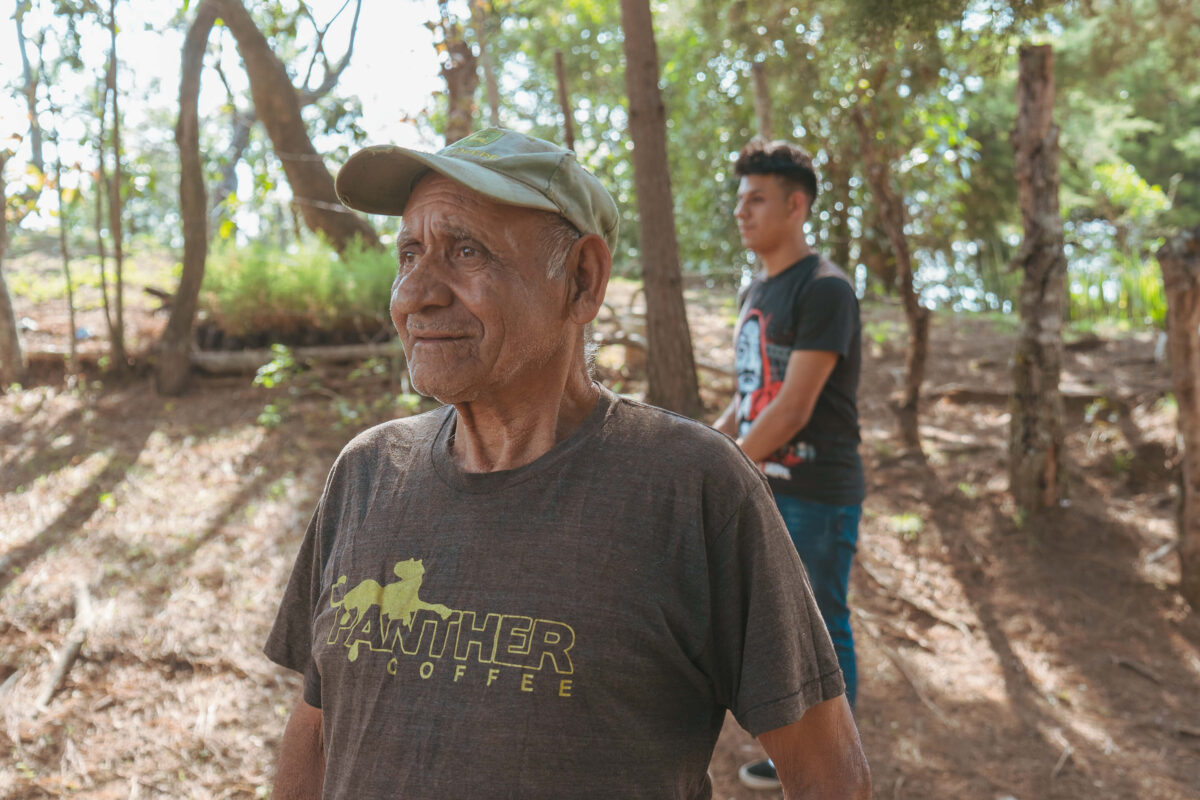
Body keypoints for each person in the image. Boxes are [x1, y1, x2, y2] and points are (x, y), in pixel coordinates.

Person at [264, 128, 871, 799]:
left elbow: (827, 774)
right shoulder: (365, 474)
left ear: (582, 279)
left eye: (466, 250)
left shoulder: (693, 490)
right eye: (410, 253)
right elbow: (318, 733)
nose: (415, 294)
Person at [712, 139, 866, 791]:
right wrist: (708, 448)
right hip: (763, 485)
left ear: (796, 205)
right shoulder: (759, 287)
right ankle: (790, 758)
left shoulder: (825, 288)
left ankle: (830, 773)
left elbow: (795, 408)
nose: (741, 212)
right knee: (772, 628)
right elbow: (754, 397)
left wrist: (727, 468)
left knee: (822, 627)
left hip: (815, 492)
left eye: (757, 199)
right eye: (739, 199)